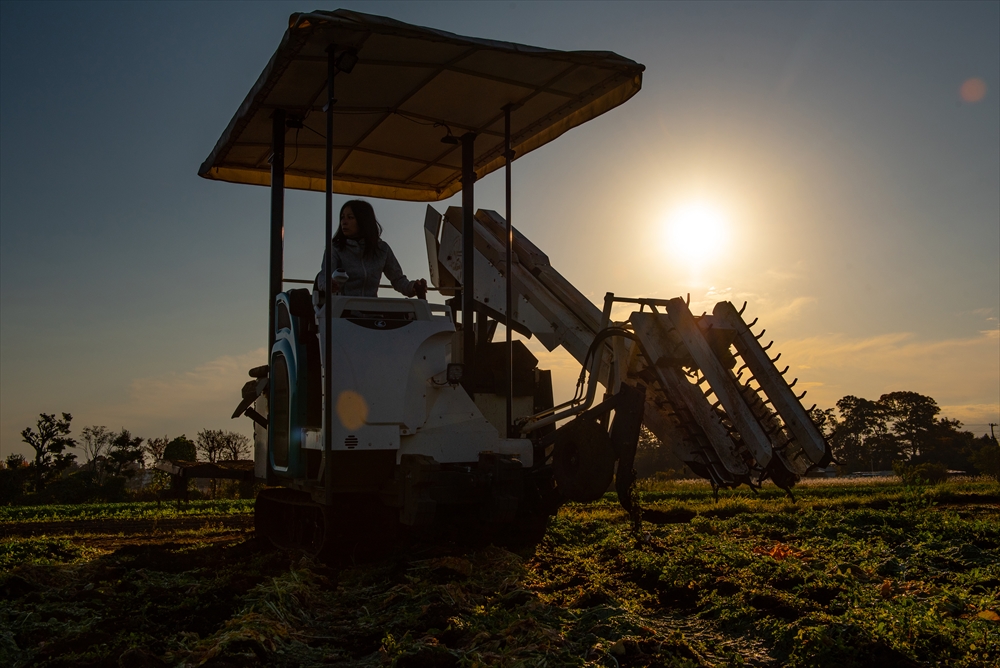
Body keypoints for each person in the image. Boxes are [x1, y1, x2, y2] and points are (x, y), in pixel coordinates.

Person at [314, 200, 427, 300]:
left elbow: (398, 279)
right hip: (342, 312)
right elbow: (324, 276)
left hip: (371, 311)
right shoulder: (336, 248)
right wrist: (328, 285)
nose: (344, 222)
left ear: (363, 220)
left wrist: (413, 287)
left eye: (350, 217)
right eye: (342, 217)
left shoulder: (382, 249)